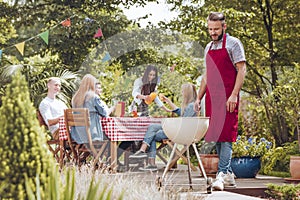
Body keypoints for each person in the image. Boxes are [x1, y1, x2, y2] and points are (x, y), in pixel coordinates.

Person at [194, 12, 247, 191]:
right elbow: (207, 75)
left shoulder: (234, 44)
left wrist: (234, 95)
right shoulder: (208, 47)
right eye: (210, 29)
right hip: (212, 97)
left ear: (224, 26)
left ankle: (221, 174)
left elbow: (242, 69)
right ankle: (229, 174)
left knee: (227, 136)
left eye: (216, 29)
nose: (213, 32)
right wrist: (198, 97)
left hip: (228, 97)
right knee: (216, 134)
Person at [130, 83, 198, 171]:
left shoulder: (191, 106)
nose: (181, 93)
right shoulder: (191, 105)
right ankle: (142, 150)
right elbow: (180, 112)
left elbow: (184, 121)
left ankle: (151, 162)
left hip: (180, 133)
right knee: (152, 127)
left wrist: (171, 124)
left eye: (183, 91)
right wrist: (168, 102)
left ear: (187, 93)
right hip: (179, 130)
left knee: (152, 135)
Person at [71, 74, 109, 144]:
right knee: (110, 138)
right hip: (93, 135)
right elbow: (104, 113)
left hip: (77, 136)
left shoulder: (75, 98)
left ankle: (96, 155)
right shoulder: (93, 97)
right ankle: (109, 155)